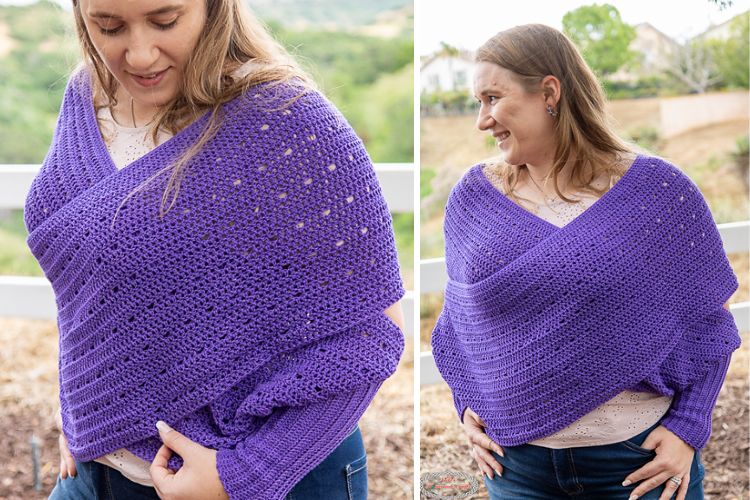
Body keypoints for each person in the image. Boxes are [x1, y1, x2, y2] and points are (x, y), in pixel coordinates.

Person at [24, 1, 406, 499]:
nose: (138, 55)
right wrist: (87, 402)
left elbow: (376, 332)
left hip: (265, 473)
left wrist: (243, 475)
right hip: (99, 468)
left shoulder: (287, 123)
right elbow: (92, 277)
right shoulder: (86, 94)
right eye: (109, 26)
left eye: (165, 22)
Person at [430, 24, 740, 500]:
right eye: (478, 102)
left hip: (637, 465)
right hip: (517, 470)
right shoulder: (473, 200)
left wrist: (688, 427)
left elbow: (707, 328)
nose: (482, 120)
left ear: (549, 92)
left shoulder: (657, 193)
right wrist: (465, 403)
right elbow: (461, 327)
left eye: (492, 98)